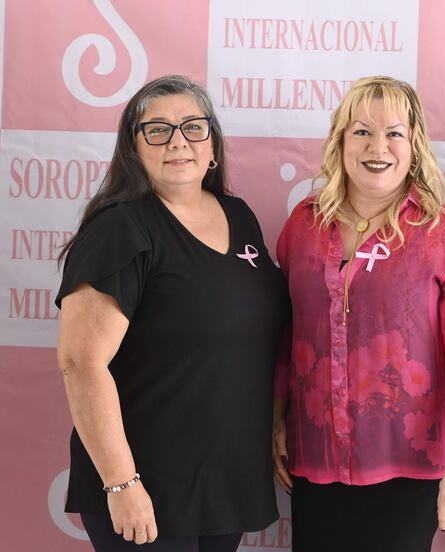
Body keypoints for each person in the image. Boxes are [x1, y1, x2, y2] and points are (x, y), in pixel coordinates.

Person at [56, 75, 289, 551]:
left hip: (223, 481)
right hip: (147, 483)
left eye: (192, 127)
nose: (177, 141)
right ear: (133, 149)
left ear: (213, 147)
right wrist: (122, 485)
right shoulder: (120, 229)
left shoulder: (239, 215)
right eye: (157, 130)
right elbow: (82, 363)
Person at [271, 76, 445, 552]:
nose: (378, 147)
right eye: (362, 132)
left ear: (414, 145)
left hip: (409, 461)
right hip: (315, 456)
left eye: (394, 133)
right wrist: (275, 420)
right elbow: (286, 334)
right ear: (340, 141)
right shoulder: (303, 225)